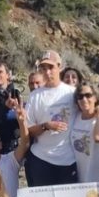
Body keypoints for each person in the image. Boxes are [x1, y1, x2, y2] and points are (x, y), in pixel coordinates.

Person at [25, 50, 78, 187]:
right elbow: (29, 129)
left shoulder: (71, 93)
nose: (47, 72)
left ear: (59, 67)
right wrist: (46, 126)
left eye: (51, 67)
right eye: (43, 68)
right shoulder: (34, 96)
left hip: (68, 160)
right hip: (42, 158)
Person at [70, 82, 99, 184]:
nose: (84, 99)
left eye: (88, 95)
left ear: (95, 98)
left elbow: (98, 137)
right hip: (79, 179)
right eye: (80, 96)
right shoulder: (76, 118)